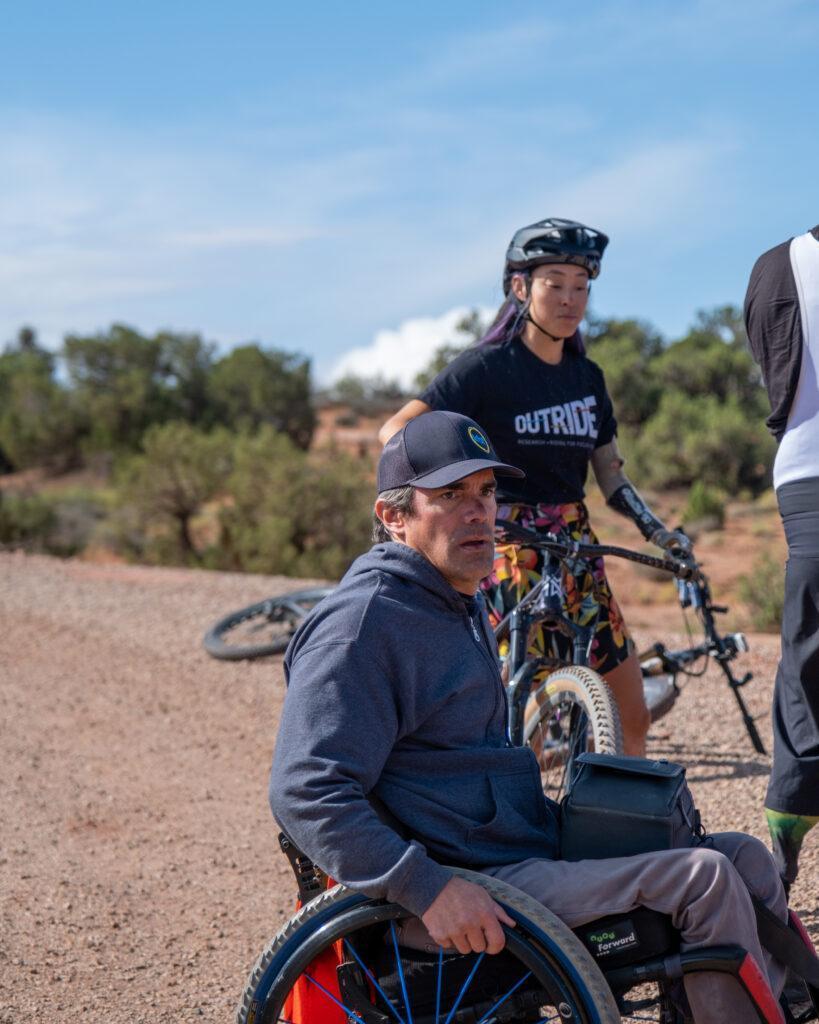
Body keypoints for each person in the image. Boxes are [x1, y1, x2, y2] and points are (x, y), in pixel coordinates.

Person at [270, 410, 787, 1022]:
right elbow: (305, 790)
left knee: (745, 858)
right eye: (451, 495)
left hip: (513, 850)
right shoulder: (365, 628)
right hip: (460, 884)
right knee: (703, 879)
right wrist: (427, 889)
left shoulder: (454, 598)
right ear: (394, 516)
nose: (479, 511)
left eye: (487, 491)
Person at [378, 218, 689, 757]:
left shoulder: (587, 378)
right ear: (521, 287)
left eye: (581, 285)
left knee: (631, 714)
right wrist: (447, 489)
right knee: (514, 713)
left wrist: (658, 533)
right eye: (555, 283)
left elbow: (610, 474)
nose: (571, 299)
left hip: (575, 545)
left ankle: (636, 833)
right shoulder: (485, 368)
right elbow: (396, 431)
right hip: (508, 544)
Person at [745, 223, 819, 892]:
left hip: (802, 473)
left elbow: (773, 378)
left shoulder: (775, 266)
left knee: (805, 665)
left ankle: (780, 868)